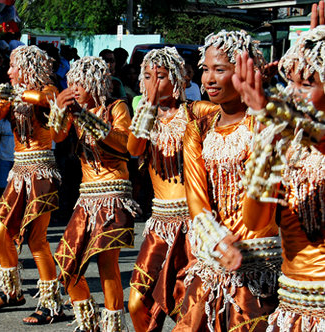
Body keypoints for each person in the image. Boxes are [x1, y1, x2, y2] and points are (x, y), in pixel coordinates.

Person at [172, 30, 281, 332]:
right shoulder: (199, 128)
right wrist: (217, 242)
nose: (208, 79)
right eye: (206, 69)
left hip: (259, 266)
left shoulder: (265, 122)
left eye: (220, 69)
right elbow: (196, 198)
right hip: (212, 260)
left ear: (244, 72)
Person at [232, 16, 325, 331]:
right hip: (292, 310)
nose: (292, 94)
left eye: (307, 84)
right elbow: (256, 221)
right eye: (291, 83)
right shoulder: (286, 145)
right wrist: (267, 147)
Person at [0, 46, 64, 325]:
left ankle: (50, 303)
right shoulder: (12, 94)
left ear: (28, 67)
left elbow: (46, 101)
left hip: (42, 172)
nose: (8, 72)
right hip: (18, 171)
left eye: (13, 66)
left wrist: (9, 91)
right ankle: (12, 292)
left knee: (37, 239)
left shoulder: (49, 90)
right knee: (0, 233)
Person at [126, 47, 218, 332]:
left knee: (189, 309)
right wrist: (148, 104)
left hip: (193, 227)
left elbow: (233, 115)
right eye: (147, 76)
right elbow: (134, 148)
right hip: (159, 225)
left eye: (161, 76)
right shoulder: (145, 119)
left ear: (177, 79)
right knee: (137, 303)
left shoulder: (196, 112)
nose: (153, 82)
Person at [51, 56, 139, 331]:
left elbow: (124, 145)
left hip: (114, 195)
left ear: (95, 83)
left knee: (106, 262)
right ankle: (87, 322)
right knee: (65, 262)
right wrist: (59, 110)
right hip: (86, 198)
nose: (74, 88)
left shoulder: (117, 107)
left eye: (80, 83)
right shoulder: (75, 110)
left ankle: (112, 324)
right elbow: (57, 137)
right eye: (71, 83)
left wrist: (83, 115)